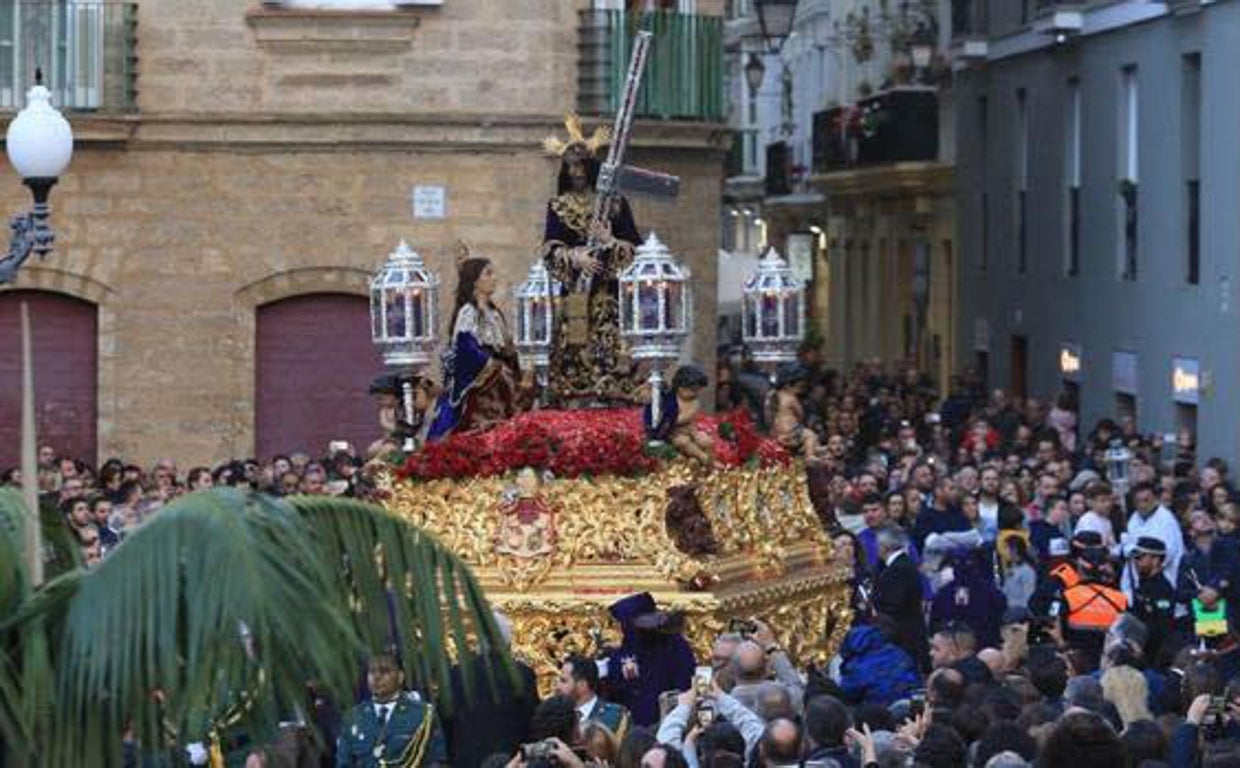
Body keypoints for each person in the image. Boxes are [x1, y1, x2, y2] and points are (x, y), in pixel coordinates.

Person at [541, 113, 642, 407]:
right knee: (575, 356)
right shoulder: (558, 206)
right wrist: (574, 256)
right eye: (570, 166)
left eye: (580, 165)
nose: (575, 172)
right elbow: (549, 248)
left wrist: (611, 243)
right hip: (576, 297)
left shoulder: (614, 204)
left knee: (612, 360)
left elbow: (636, 249)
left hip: (610, 298)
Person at [426, 253, 522, 440]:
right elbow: (466, 347)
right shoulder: (468, 312)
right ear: (475, 281)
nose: (493, 278)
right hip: (479, 382)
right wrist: (493, 366)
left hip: (499, 382)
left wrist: (515, 363)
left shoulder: (494, 313)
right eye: (488, 274)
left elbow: (505, 347)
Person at [335, 652, 447, 767]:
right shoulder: (353, 717)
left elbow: (436, 762)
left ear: (400, 677)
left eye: (385, 671)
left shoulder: (422, 714)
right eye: (372, 672)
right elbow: (343, 764)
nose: (377, 677)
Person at [603, 592, 696, 727]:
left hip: (670, 722)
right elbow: (615, 693)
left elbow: (686, 684)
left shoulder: (675, 646)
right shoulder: (620, 655)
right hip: (632, 727)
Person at [871, 526, 929, 670]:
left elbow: (893, 604)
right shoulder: (900, 565)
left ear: (884, 546)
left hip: (904, 635)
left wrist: (873, 607)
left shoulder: (898, 569)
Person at [645, 365, 715, 465]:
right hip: (673, 433)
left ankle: (710, 462)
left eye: (697, 391)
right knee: (683, 442)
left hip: (691, 431)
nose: (694, 394)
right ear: (680, 386)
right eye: (692, 390)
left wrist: (669, 419)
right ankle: (701, 456)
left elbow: (684, 418)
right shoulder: (672, 398)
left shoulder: (694, 402)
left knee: (706, 441)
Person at [556, 655, 631, 741]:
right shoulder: (554, 715)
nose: (557, 687)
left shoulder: (614, 717)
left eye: (564, 681)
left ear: (582, 685)